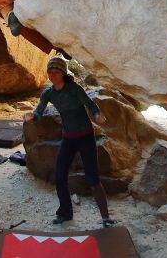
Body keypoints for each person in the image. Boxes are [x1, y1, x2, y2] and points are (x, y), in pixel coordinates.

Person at [24, 56, 118, 228]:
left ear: (63, 73)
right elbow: (39, 111)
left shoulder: (74, 89)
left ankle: (105, 217)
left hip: (85, 137)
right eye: (50, 72)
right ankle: (65, 213)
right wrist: (32, 117)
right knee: (60, 175)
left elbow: (91, 104)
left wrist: (97, 114)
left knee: (92, 178)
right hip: (68, 138)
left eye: (56, 72)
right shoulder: (49, 93)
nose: (52, 75)